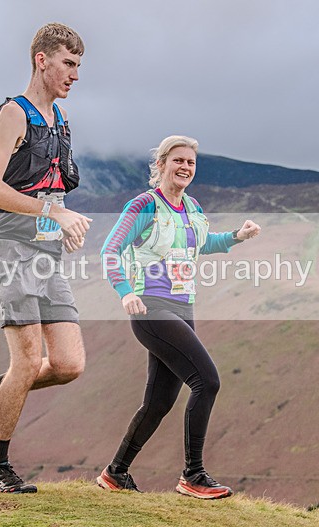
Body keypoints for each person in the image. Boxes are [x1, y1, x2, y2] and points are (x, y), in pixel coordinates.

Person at [0, 22, 91, 494]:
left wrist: (61, 223)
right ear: (42, 60)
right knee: (29, 359)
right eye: (68, 63)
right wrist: (54, 213)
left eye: (78, 66)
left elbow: (51, 187)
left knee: (68, 364)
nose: (75, 74)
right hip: (12, 249)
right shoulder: (14, 113)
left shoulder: (61, 120)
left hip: (46, 253)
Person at [96, 135, 260, 498]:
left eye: (191, 162)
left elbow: (202, 244)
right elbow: (110, 250)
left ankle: (115, 473)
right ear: (161, 165)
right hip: (152, 308)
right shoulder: (145, 205)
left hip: (184, 308)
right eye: (178, 160)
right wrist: (125, 292)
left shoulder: (192, 207)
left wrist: (237, 236)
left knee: (158, 403)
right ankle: (193, 475)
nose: (185, 167)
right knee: (207, 381)